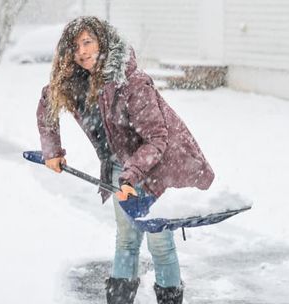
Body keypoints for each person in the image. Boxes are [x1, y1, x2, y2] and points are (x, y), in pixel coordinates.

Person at [36, 16, 214, 304]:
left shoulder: (131, 81)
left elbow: (157, 139)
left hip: (155, 167)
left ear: (102, 43)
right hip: (123, 167)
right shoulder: (74, 82)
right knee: (127, 239)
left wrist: (131, 175)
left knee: (160, 242)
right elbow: (47, 105)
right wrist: (52, 151)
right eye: (75, 46)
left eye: (87, 42)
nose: (82, 51)